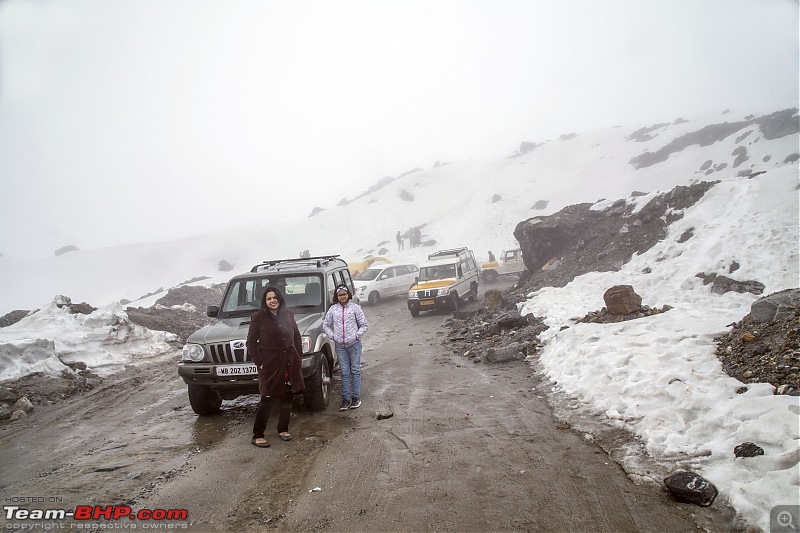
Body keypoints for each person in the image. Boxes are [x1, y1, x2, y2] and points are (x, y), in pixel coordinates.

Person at [246, 286, 305, 448]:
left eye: (275, 298)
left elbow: (297, 336)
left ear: (279, 298)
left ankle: (283, 429)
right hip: (270, 363)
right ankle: (257, 435)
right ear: (264, 302)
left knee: (287, 395)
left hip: (289, 361)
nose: (272, 301)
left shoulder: (288, 314)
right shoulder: (258, 317)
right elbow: (251, 342)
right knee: (267, 398)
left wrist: (298, 355)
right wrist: (260, 361)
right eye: (269, 298)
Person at [323, 284, 369, 411]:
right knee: (344, 372)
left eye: (344, 294)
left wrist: (356, 336)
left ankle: (355, 397)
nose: (342, 297)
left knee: (355, 370)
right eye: (340, 295)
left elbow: (364, 325)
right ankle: (345, 399)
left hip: (354, 345)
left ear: (348, 295)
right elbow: (326, 325)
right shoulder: (333, 310)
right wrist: (333, 336)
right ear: (336, 297)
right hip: (340, 346)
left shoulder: (355, 308)